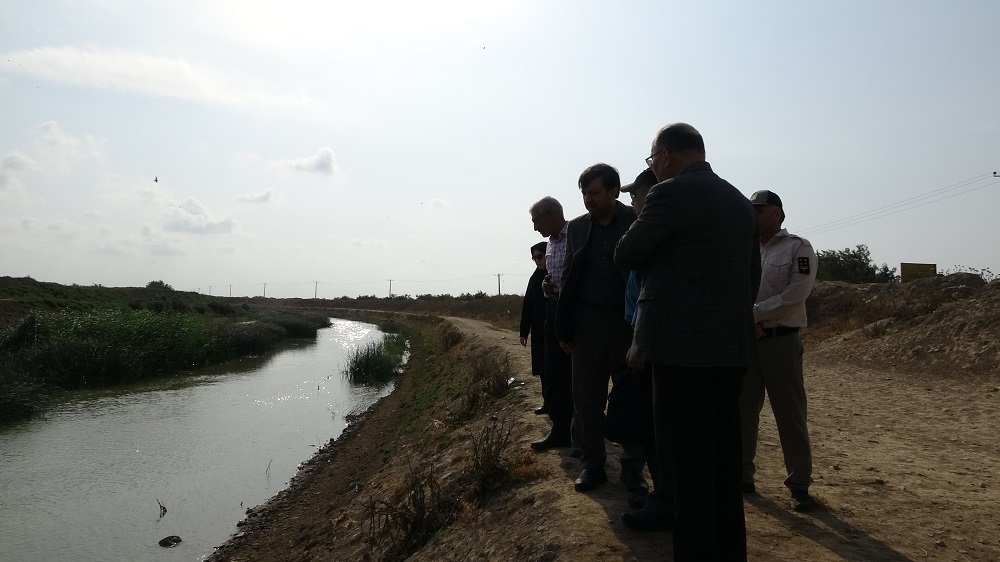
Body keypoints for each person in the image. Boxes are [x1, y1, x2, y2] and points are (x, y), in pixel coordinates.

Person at [615, 123, 759, 561]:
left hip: (679, 350)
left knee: (685, 466)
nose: (654, 167)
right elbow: (751, 278)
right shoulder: (739, 201)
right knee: (723, 461)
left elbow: (626, 253)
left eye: (652, 159)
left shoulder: (668, 194)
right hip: (731, 348)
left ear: (666, 155)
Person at [555, 163, 648, 495]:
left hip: (626, 324)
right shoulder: (578, 228)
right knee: (586, 398)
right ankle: (593, 464)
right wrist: (564, 327)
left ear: (613, 191)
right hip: (587, 325)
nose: (587, 199)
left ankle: (633, 469)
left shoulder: (636, 221)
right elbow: (569, 276)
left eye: (593, 192)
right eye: (584, 193)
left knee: (632, 398)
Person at [739, 189, 819, 513]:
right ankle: (742, 476)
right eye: (751, 210)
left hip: (781, 342)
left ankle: (799, 484)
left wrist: (752, 315)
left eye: (759, 210)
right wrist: (749, 322)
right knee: (742, 412)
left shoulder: (798, 248)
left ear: (777, 214)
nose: (754, 215)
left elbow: (795, 295)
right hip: (748, 341)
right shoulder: (744, 248)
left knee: (790, 414)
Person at [615, 167, 674, 532]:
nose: (632, 202)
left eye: (635, 195)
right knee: (651, 427)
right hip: (642, 336)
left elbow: (651, 292)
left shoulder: (654, 231)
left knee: (658, 429)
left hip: (652, 343)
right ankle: (661, 495)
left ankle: (666, 501)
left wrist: (640, 341)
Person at [527, 197, 574, 451]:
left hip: (571, 313)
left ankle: (581, 434)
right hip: (552, 311)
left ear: (550, 215)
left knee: (573, 377)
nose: (535, 227)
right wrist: (547, 287)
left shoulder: (576, 236)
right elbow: (553, 280)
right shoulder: (552, 244)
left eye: (536, 221)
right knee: (553, 375)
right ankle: (560, 430)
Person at [520, 241, 549, 414]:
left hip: (556, 329)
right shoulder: (535, 278)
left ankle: (567, 406)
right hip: (539, 330)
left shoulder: (556, 274)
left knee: (559, 369)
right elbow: (528, 306)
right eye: (534, 258)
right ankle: (548, 403)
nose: (537, 261)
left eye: (540, 256)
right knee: (543, 368)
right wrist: (524, 332)